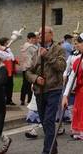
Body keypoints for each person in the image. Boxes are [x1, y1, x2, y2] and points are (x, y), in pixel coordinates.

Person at [26, 26, 66, 154]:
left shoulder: (59, 49)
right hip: (39, 90)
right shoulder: (35, 51)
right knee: (44, 121)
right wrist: (35, 78)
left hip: (54, 88)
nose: (40, 36)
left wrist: (47, 55)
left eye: (43, 33)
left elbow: (61, 66)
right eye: (38, 34)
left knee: (49, 119)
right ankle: (53, 148)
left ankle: (47, 150)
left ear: (51, 34)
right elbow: (27, 71)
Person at [19, 32, 38, 105]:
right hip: (30, 67)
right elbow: (37, 53)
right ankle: (29, 100)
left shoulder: (24, 46)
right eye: (32, 38)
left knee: (24, 84)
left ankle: (22, 99)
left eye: (34, 38)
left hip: (24, 67)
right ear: (29, 39)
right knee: (30, 84)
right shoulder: (31, 47)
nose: (34, 40)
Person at [0, 37, 17, 105]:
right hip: (4, 69)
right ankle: (4, 99)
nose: (8, 43)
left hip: (10, 69)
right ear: (4, 42)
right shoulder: (0, 49)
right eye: (7, 42)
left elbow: (11, 57)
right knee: (4, 85)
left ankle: (9, 99)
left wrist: (14, 60)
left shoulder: (8, 49)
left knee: (10, 85)